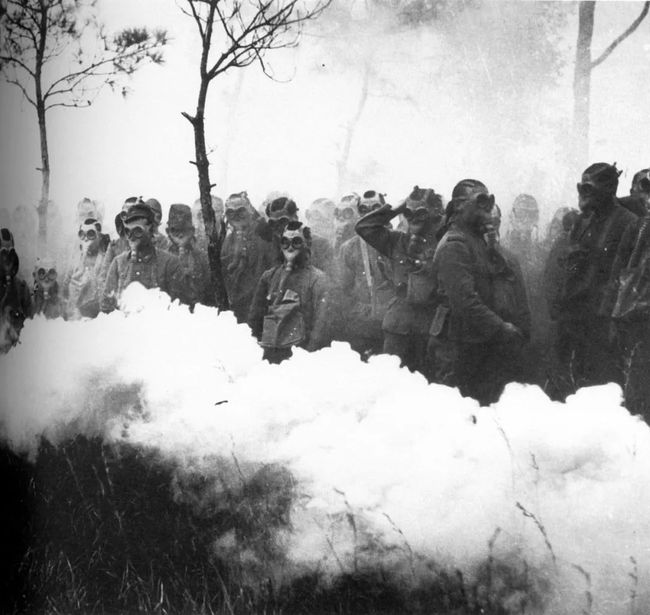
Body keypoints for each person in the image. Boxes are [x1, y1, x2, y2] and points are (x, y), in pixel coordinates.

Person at [431, 180, 525, 404]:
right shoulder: (455, 244)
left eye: (489, 201)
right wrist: (501, 328)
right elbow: (465, 302)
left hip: (476, 343)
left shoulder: (476, 241)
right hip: (457, 346)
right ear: (459, 206)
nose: (487, 208)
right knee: (460, 411)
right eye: (480, 201)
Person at [556, 162, 637, 389]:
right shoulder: (582, 222)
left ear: (609, 189)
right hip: (576, 322)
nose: (582, 194)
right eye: (580, 187)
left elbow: (628, 279)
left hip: (607, 326)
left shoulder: (628, 222)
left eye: (588, 188)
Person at [355, 186, 444, 375]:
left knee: (430, 383)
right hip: (398, 329)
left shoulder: (445, 243)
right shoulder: (397, 241)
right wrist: (399, 207)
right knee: (393, 380)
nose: (413, 218)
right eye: (409, 214)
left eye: (421, 213)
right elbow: (364, 227)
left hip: (431, 328)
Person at [248, 221, 330, 363]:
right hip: (270, 353)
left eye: (296, 242)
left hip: (300, 354)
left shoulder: (317, 280)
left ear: (306, 244)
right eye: (285, 242)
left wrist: (308, 357)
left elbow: (320, 326)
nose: (290, 247)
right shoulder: (269, 276)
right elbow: (255, 319)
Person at [101, 202, 188, 312]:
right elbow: (106, 308)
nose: (131, 237)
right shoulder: (118, 263)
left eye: (137, 231)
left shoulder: (170, 263)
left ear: (151, 230)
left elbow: (180, 308)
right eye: (128, 232)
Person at [337, 190, 393, 358]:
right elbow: (343, 291)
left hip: (393, 324)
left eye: (376, 208)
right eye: (363, 209)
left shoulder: (398, 241)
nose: (370, 214)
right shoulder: (348, 248)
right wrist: (360, 312)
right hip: (362, 326)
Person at [220, 192, 275, 322]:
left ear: (250, 211)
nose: (236, 217)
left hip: (258, 304)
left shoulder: (263, 237)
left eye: (241, 211)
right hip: (235, 304)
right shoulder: (227, 241)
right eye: (231, 213)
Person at [166, 203, 215, 308]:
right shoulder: (162, 257)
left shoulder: (202, 258)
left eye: (184, 230)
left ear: (192, 231)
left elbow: (209, 294)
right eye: (175, 230)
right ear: (168, 231)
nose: (180, 235)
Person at [0, 228, 32, 353]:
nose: (7, 258)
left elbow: (32, 328)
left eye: (11, 251)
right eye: (3, 252)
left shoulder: (22, 289)